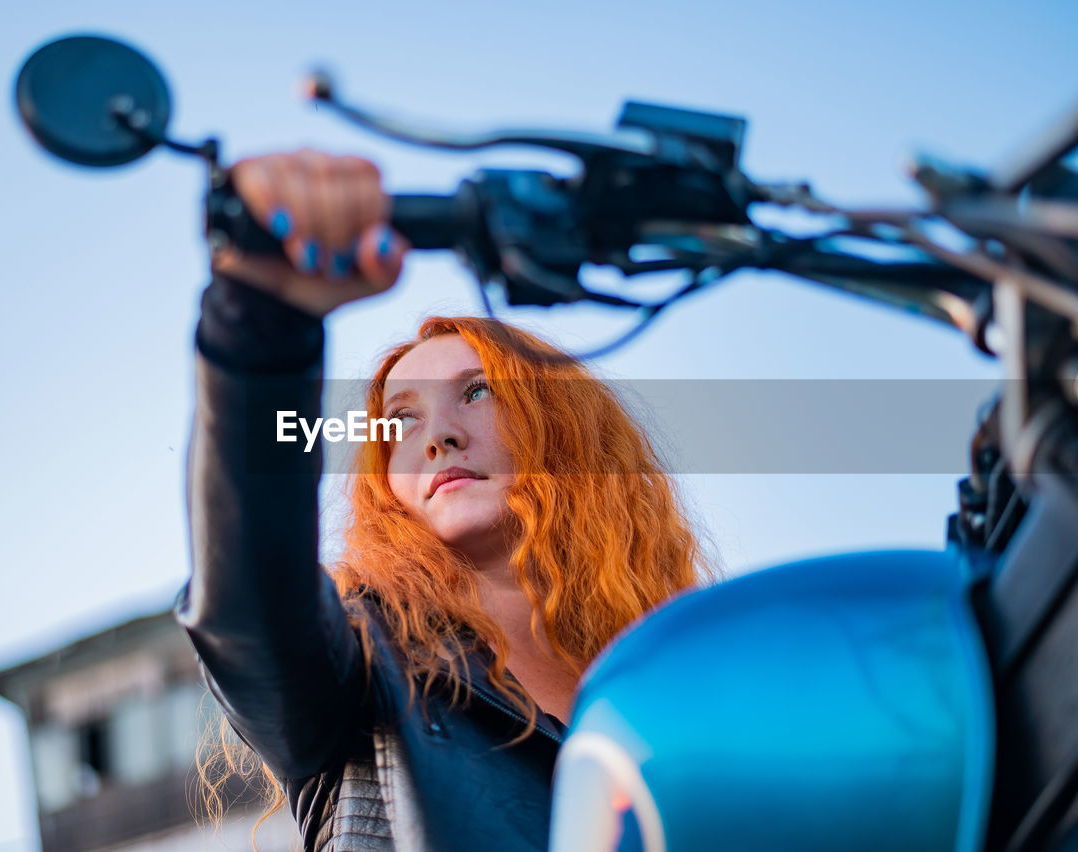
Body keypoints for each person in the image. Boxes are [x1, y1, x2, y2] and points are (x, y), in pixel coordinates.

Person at [174, 148, 709, 851]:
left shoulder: (685, 688)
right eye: (401, 421)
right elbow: (247, 589)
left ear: (567, 432)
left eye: (477, 392)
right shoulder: (359, 665)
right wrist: (262, 320)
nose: (438, 439)